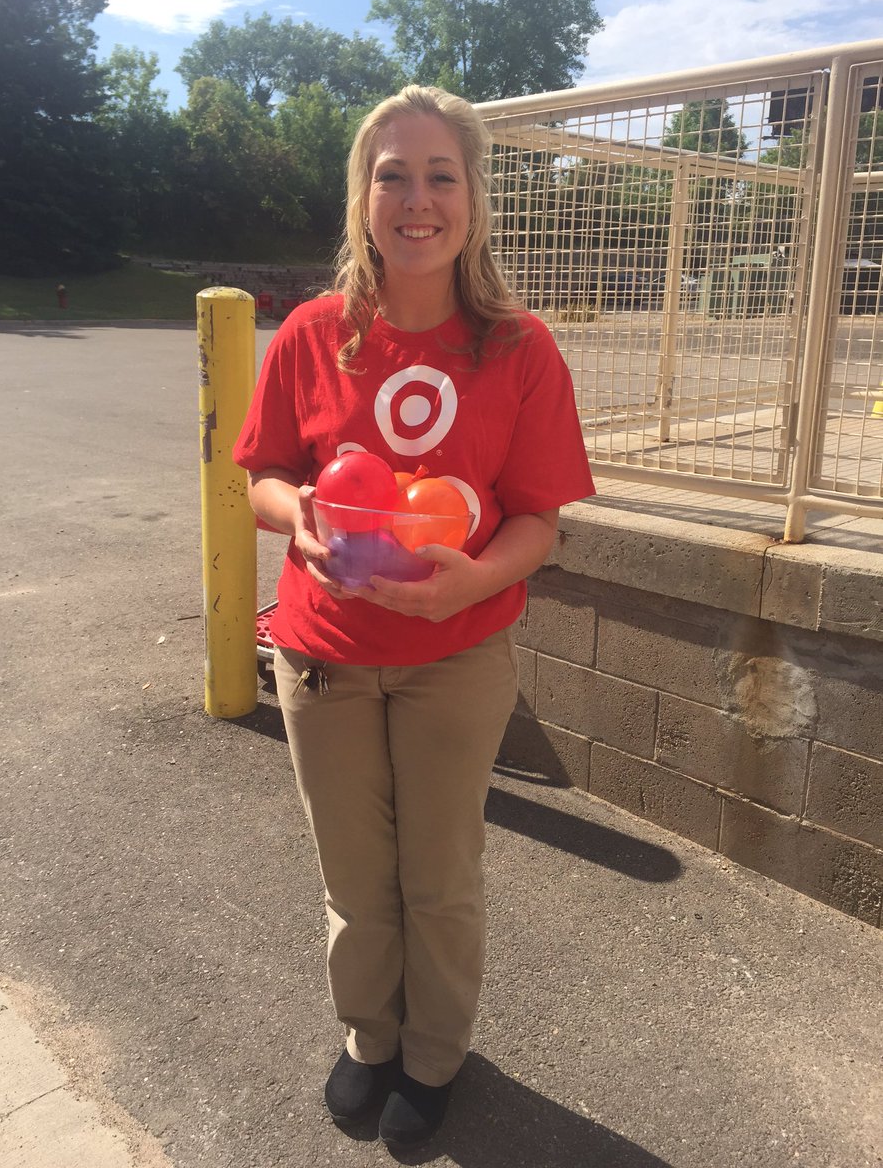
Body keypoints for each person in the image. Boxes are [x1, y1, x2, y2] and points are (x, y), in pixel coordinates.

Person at [233, 84, 595, 1150]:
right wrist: (295, 517)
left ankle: (434, 1056)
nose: (418, 199)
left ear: (475, 199)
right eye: (394, 175)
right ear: (363, 196)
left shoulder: (520, 350)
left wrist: (465, 586)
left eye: (442, 176)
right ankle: (369, 1038)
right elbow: (261, 475)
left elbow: (538, 521)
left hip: (457, 658)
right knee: (352, 872)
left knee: (439, 875)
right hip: (324, 655)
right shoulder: (310, 333)